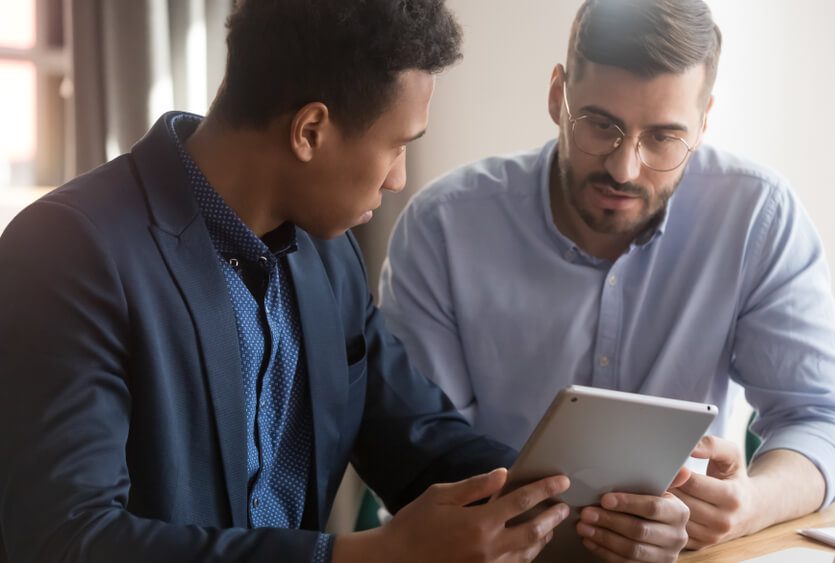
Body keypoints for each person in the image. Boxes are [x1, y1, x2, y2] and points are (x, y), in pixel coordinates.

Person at [0, 1, 605, 561]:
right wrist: (364, 556)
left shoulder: (327, 255)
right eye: (396, 146)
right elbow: (65, 537)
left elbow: (422, 441)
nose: (397, 179)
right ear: (310, 130)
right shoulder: (67, 252)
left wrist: (597, 510)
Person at [380, 0, 835, 556]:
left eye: (663, 137)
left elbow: (823, 417)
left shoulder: (757, 216)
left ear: (704, 120)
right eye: (601, 125)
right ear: (556, 94)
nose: (624, 168)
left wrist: (750, 504)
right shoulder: (444, 226)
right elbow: (420, 451)